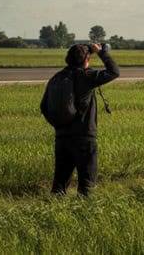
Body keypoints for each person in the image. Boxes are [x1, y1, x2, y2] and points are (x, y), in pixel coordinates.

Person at [40, 43, 120, 196]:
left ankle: (54, 214)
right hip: (84, 138)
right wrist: (102, 53)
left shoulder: (57, 77)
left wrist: (59, 125)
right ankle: (84, 216)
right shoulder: (86, 76)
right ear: (86, 60)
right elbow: (114, 72)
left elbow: (44, 106)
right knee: (87, 186)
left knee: (59, 185)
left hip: (62, 138)